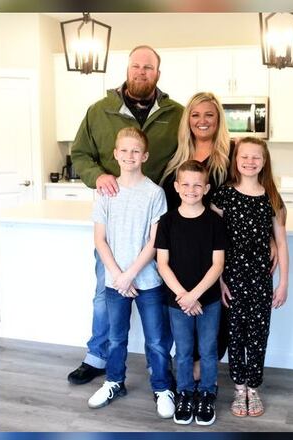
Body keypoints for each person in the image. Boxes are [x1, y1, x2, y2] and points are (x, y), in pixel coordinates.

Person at [67, 45, 183, 386]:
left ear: (158, 73)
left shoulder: (176, 114)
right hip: (116, 219)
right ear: (127, 69)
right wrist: (98, 176)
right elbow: (80, 154)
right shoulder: (99, 111)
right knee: (105, 292)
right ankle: (97, 356)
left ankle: (159, 365)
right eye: (136, 66)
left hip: (160, 219)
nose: (141, 72)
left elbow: (191, 152)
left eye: (148, 67)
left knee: (159, 292)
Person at [86, 127, 175, 418]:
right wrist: (117, 275)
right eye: (124, 150)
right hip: (115, 281)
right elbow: (100, 239)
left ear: (145, 156)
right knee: (116, 338)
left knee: (156, 341)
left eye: (136, 151)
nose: (129, 156)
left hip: (147, 280)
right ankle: (114, 382)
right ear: (115, 154)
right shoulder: (105, 193)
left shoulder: (155, 193)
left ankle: (162, 388)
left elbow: (154, 241)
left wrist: (130, 274)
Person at [210, 137, 290, 418]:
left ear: (264, 162)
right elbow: (214, 242)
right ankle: (239, 388)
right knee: (235, 334)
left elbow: (282, 243)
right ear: (236, 160)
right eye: (244, 156)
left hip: (260, 279)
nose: (249, 161)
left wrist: (283, 282)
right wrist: (219, 280)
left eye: (256, 157)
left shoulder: (272, 198)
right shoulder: (223, 195)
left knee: (257, 334)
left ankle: (253, 388)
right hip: (230, 278)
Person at [159, 92, 232, 385]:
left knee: (215, 316)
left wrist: (273, 238)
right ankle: (187, 372)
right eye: (195, 115)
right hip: (179, 256)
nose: (202, 121)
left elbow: (262, 197)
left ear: (219, 120)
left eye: (209, 115)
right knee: (181, 322)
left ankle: (204, 374)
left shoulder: (230, 158)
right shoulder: (176, 160)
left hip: (219, 251)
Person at [155, 160, 227, 426]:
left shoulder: (215, 222)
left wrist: (194, 295)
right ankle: (184, 392)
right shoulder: (167, 221)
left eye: (197, 185)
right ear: (176, 187)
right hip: (178, 302)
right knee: (183, 351)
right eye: (185, 184)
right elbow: (162, 264)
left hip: (208, 300)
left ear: (206, 188)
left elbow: (218, 265)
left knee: (208, 350)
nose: (191, 189)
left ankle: (207, 392)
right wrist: (183, 296)